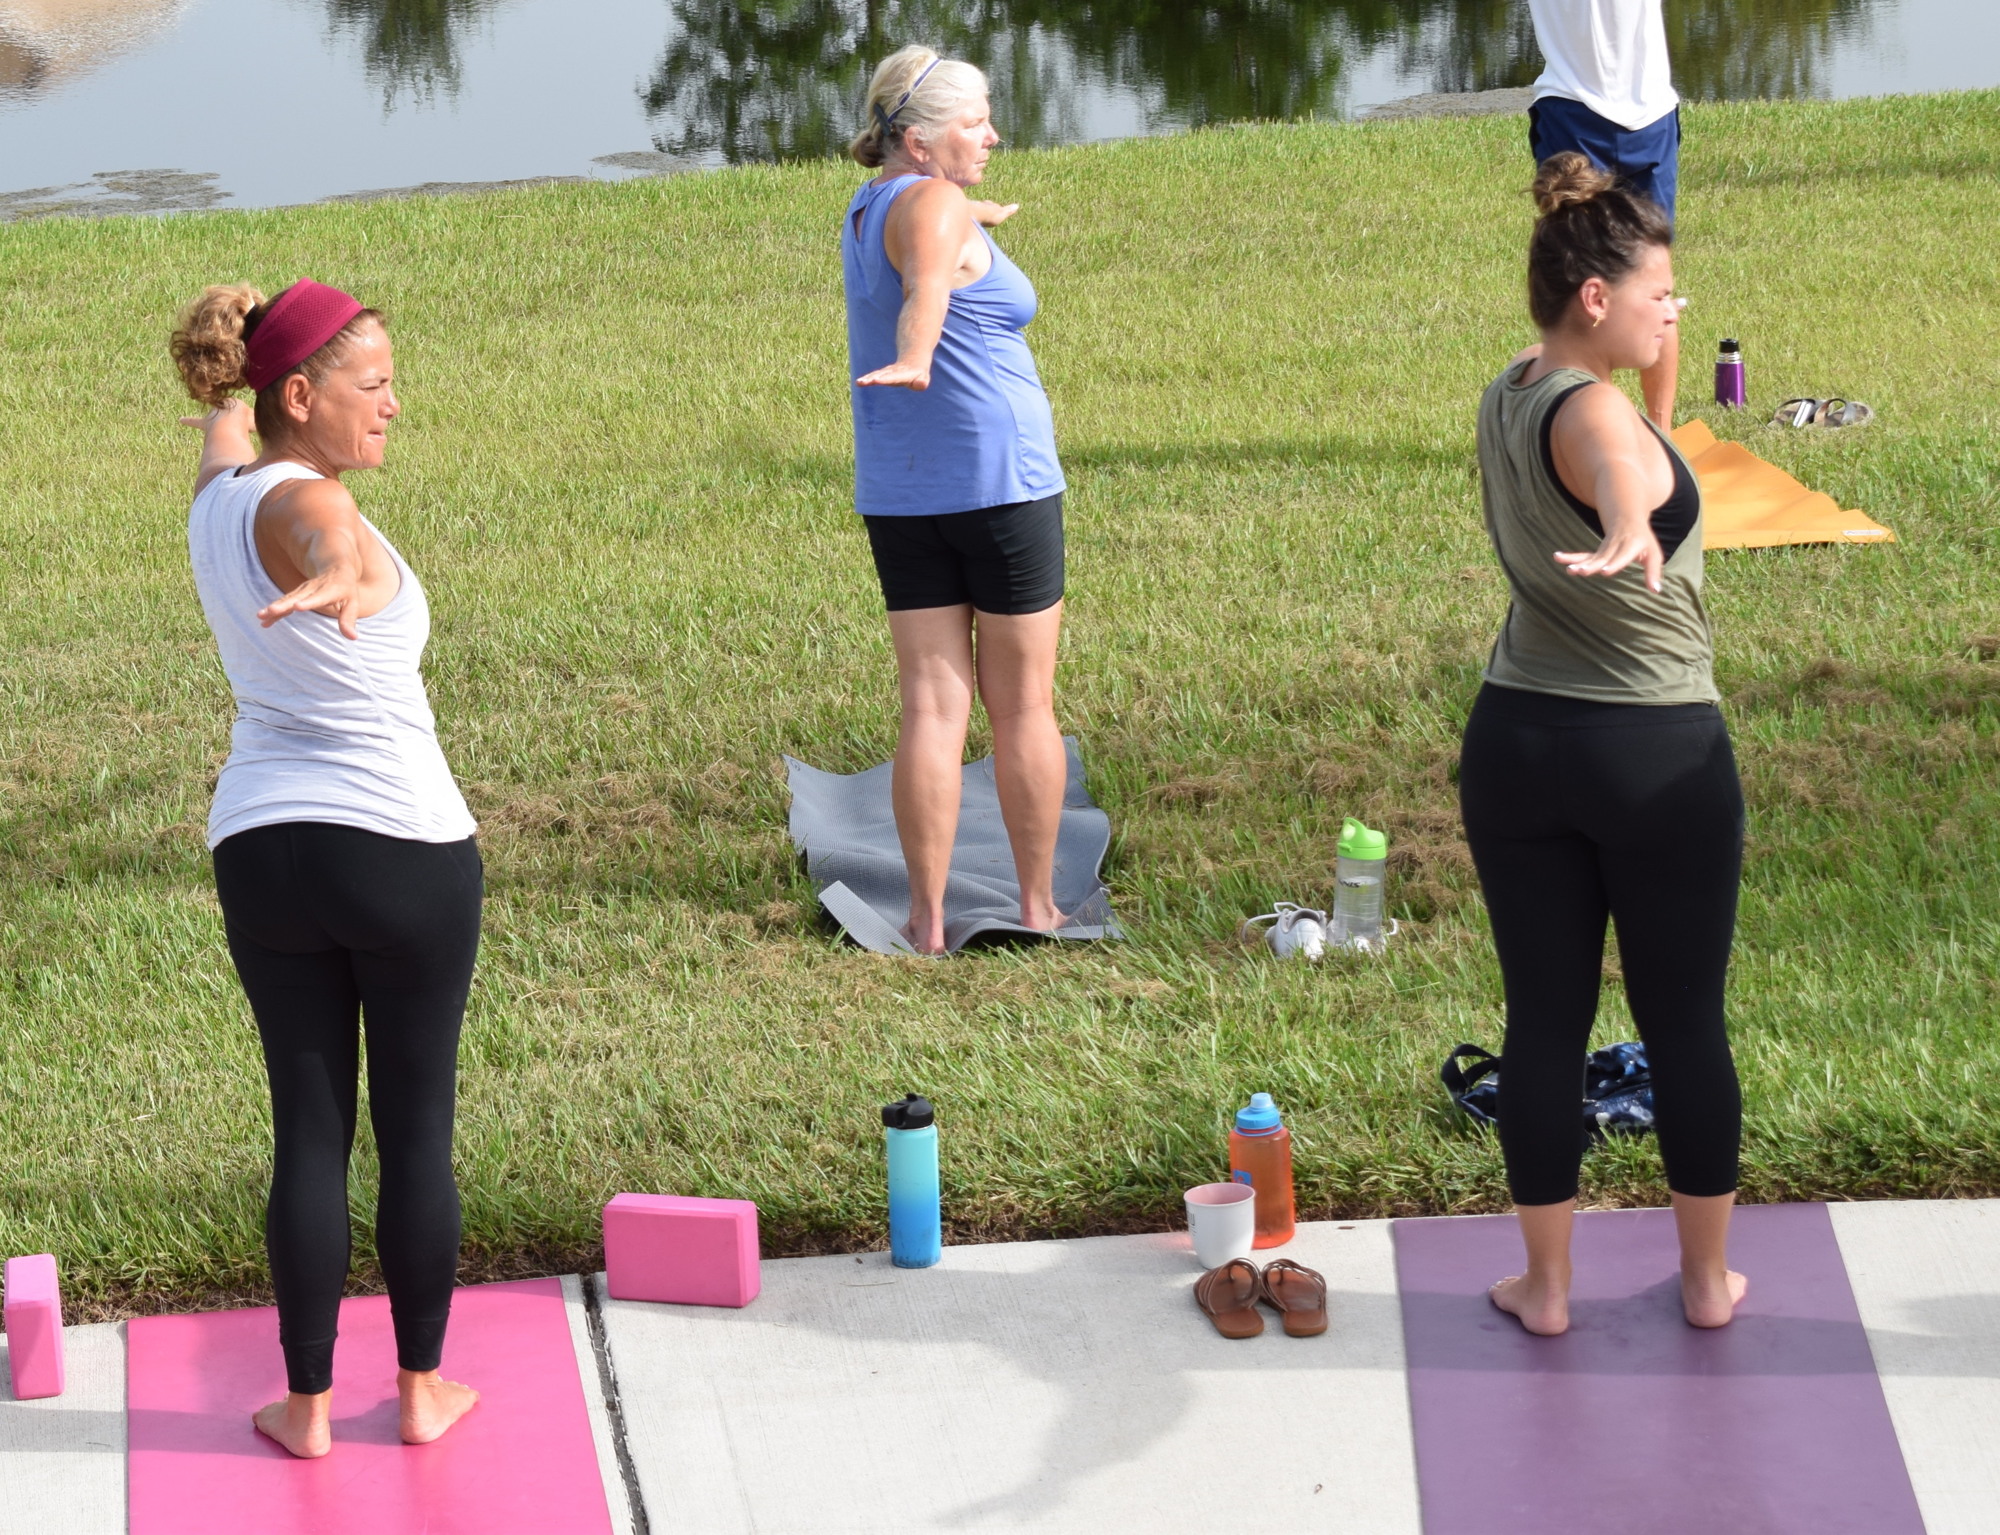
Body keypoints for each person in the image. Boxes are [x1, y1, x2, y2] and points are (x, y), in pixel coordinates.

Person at [170, 280, 483, 1456]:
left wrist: (220, 386)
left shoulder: (218, 492)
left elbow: (222, 432)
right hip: (400, 851)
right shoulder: (304, 502)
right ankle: (416, 1390)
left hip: (262, 849)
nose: (395, 404)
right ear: (299, 393)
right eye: (373, 384)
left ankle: (303, 1406)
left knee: (308, 1126)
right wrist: (341, 565)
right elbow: (322, 530)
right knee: (414, 1127)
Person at [1461, 155, 1746, 1336]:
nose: (1670, 307)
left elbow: (1641, 424)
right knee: (1680, 1016)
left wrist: (1652, 367)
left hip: (1519, 739)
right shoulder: (1590, 416)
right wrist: (1627, 522)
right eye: (1655, 292)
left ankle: (1546, 1288)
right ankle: (1702, 1282)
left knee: (1543, 1018)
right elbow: (1623, 463)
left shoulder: (1508, 388)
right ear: (1592, 298)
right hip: (1653, 753)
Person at [842, 44, 1071, 956]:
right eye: (976, 122)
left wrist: (973, 209)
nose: (994, 134)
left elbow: (931, 231)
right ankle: (1037, 905)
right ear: (920, 140)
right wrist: (918, 352)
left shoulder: (877, 205)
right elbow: (931, 282)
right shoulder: (934, 207)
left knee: (932, 708)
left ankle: (927, 921)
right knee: (1022, 706)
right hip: (1002, 487)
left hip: (904, 493)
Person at [1525, 0, 1681, 429]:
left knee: (1587, 286)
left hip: (1586, 111)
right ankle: (1646, 432)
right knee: (1645, 288)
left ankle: (1646, 433)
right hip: (1636, 116)